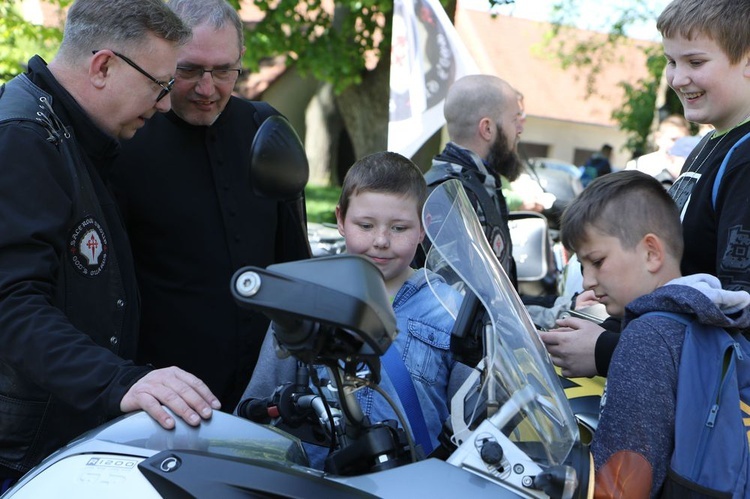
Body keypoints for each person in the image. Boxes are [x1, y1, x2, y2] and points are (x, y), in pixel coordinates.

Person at [0, 0, 224, 487]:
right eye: (158, 85)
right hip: (21, 457)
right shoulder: (23, 138)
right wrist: (119, 381)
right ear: (103, 65)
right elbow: (11, 304)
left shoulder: (75, 133)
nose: (166, 104)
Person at [109, 0, 311, 411]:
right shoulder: (126, 137)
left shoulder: (265, 126)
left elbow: (296, 257)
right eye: (188, 71)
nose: (207, 88)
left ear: (241, 60)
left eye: (223, 71)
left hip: (266, 383)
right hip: (163, 389)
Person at [541, 0, 750, 379]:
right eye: (672, 62)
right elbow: (683, 281)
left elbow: (737, 324)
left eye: (695, 63)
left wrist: (607, 349)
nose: (678, 78)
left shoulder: (745, 159)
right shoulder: (708, 145)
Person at [239, 151, 470, 464]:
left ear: (423, 228)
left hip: (413, 482)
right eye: (365, 225)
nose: (381, 240)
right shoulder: (305, 297)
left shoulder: (450, 311)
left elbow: (466, 423)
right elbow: (262, 402)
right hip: (321, 481)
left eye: (399, 228)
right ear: (340, 220)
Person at [559, 170, 750, 497]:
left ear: (651, 253)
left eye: (597, 261)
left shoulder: (648, 337)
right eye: (581, 267)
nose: (587, 280)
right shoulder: (712, 318)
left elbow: (622, 482)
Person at [421, 74, 525, 284]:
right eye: (515, 120)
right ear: (487, 128)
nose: (520, 129)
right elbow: (457, 304)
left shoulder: (478, 184)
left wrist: (558, 309)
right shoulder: (449, 194)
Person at [625, 114, 690, 182]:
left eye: (683, 141)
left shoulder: (691, 167)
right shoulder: (637, 165)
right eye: (673, 139)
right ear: (658, 137)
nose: (679, 145)